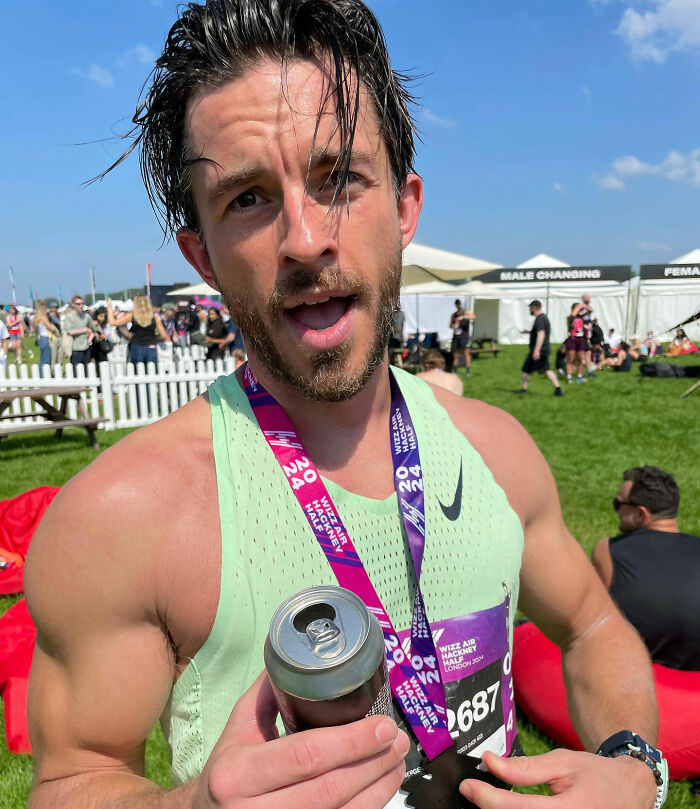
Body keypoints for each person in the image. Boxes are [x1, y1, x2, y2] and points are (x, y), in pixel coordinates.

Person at [26, 4, 665, 809]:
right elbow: (71, 777)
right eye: (248, 198)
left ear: (404, 208)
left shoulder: (495, 449)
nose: (304, 239)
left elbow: (594, 626)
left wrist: (634, 767)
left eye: (338, 180)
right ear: (204, 257)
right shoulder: (123, 515)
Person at [591, 467, 700, 670]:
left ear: (641, 513)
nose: (617, 511)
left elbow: (590, 620)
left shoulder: (608, 551)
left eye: (618, 504)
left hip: (635, 676)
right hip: (693, 681)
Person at [107, 296, 170, 367]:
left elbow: (112, 322)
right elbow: (164, 335)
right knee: (152, 371)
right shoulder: (154, 317)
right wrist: (154, 338)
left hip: (137, 347)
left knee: (138, 371)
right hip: (151, 347)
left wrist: (109, 306)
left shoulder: (132, 316)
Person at [518, 300, 563, 396]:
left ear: (534, 307)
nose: (529, 310)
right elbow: (540, 332)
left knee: (526, 369)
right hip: (544, 350)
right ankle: (558, 389)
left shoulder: (540, 319)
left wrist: (537, 350)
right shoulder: (543, 318)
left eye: (530, 307)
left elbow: (541, 334)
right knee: (546, 370)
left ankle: (524, 390)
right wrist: (529, 332)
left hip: (539, 350)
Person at [62, 295, 97, 369]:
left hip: (86, 349)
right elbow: (70, 332)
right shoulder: (69, 316)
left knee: (87, 372)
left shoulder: (86, 316)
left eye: (82, 304)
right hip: (75, 350)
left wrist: (90, 339)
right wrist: (84, 330)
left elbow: (94, 329)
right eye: (78, 304)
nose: (81, 306)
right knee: (76, 373)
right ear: (73, 305)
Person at [449, 299, 475, 376]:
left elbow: (473, 316)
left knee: (466, 353)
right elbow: (450, 325)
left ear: (460, 304)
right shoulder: (454, 314)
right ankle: (455, 370)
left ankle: (468, 371)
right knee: (455, 353)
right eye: (457, 305)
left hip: (464, 337)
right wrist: (453, 326)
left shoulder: (466, 312)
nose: (458, 306)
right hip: (456, 336)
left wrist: (463, 317)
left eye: (459, 304)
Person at [32, 301, 59, 370]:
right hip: (45, 339)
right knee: (46, 360)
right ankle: (43, 374)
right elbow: (51, 329)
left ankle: (41, 373)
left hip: (40, 338)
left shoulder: (36, 318)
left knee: (42, 358)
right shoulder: (44, 318)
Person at [564, 303, 586, 384]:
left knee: (580, 359)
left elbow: (590, 310)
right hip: (572, 339)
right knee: (571, 359)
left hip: (580, 339)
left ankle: (579, 378)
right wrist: (579, 307)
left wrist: (584, 307)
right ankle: (569, 378)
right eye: (577, 308)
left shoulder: (581, 317)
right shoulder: (570, 317)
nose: (579, 309)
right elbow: (572, 315)